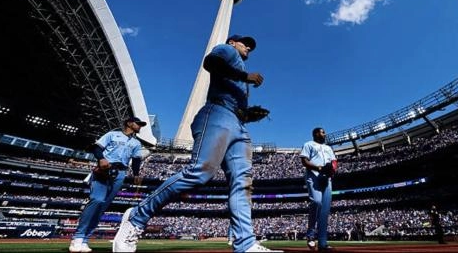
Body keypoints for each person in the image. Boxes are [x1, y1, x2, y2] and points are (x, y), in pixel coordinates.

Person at [113, 34, 282, 252]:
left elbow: (231, 92)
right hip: (218, 113)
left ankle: (245, 243)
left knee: (242, 183)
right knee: (200, 172)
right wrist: (244, 75)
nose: (249, 47)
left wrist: (249, 114)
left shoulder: (238, 68)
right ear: (232, 42)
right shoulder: (227, 51)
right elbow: (210, 63)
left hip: (238, 122)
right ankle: (137, 216)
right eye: (245, 42)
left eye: (251, 45)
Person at [69, 117, 146, 253]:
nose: (140, 126)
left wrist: (136, 174)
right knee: (96, 200)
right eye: (138, 123)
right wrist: (101, 159)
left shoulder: (136, 143)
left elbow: (136, 160)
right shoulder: (112, 134)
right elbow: (96, 148)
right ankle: (78, 237)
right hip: (104, 169)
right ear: (129, 123)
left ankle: (85, 239)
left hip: (120, 173)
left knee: (102, 207)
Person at [300, 127, 336, 252]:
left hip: (327, 179)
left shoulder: (328, 148)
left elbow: (333, 162)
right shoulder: (308, 144)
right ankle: (310, 234)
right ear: (315, 133)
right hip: (313, 176)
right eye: (322, 132)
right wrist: (319, 168)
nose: (324, 134)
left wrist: (332, 170)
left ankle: (322, 243)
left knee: (324, 212)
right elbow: (304, 161)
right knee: (316, 202)